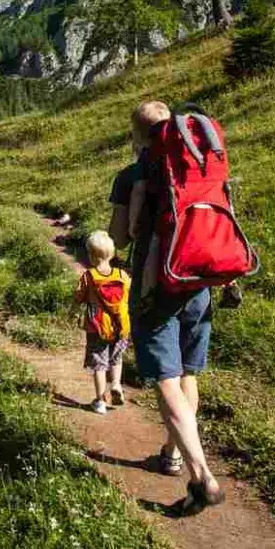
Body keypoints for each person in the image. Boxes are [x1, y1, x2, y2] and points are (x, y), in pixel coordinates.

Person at [110, 100, 225, 514]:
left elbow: (119, 238)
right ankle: (172, 452)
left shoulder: (133, 174)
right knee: (188, 374)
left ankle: (202, 476)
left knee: (166, 379)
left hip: (155, 285)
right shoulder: (199, 162)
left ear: (137, 135)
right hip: (201, 279)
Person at [72, 230, 131, 414]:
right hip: (120, 327)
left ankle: (100, 401)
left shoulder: (89, 277)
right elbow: (128, 297)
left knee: (99, 365)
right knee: (116, 359)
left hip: (97, 328)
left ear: (91, 256)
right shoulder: (122, 275)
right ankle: (116, 385)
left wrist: (73, 312)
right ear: (112, 254)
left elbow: (78, 298)